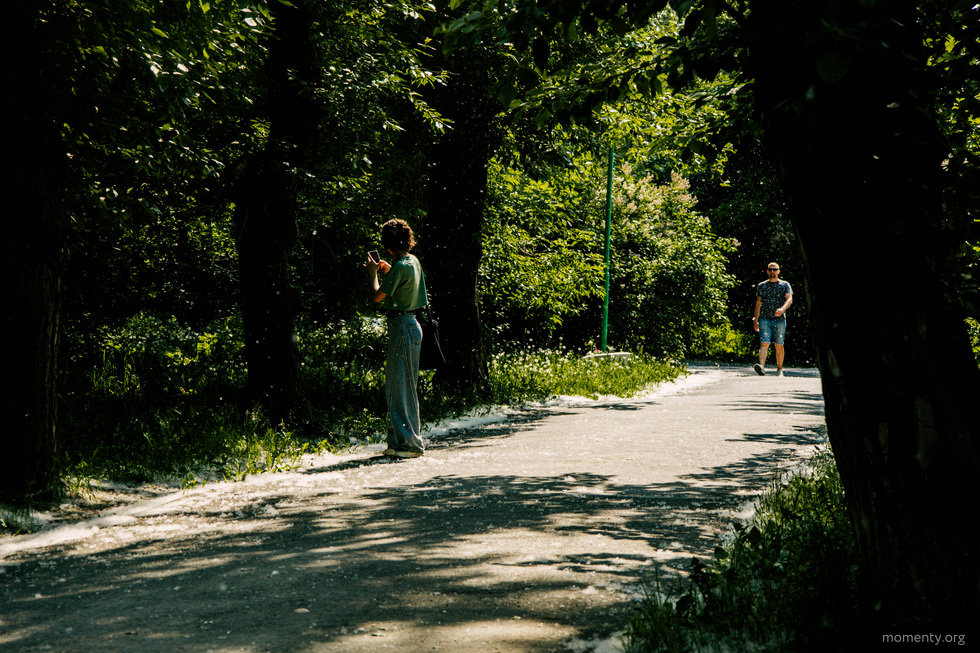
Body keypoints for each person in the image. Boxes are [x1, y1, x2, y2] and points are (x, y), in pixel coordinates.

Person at [366, 219, 428, 458]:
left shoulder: (400, 266)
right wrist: (387, 269)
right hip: (412, 324)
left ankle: (409, 444)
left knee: (399, 386)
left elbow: (377, 296)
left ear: (388, 244)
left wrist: (373, 273)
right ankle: (398, 442)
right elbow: (403, 281)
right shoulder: (412, 262)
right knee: (402, 386)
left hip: (401, 326)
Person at [753, 262, 793, 377]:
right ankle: (761, 367)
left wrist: (782, 309)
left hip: (779, 319)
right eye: (770, 270)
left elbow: (789, 299)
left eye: (774, 269)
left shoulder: (784, 285)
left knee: (779, 344)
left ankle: (779, 369)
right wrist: (755, 320)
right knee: (764, 342)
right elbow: (758, 303)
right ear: (767, 272)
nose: (772, 271)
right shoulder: (762, 285)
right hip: (764, 318)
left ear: (778, 271)